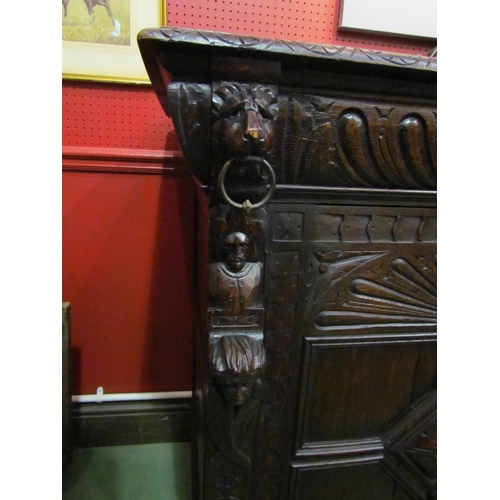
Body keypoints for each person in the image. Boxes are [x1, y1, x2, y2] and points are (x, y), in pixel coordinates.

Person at [208, 231, 262, 316]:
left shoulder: (257, 269)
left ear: (249, 249)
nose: (237, 252)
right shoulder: (213, 270)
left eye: (243, 246)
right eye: (230, 246)